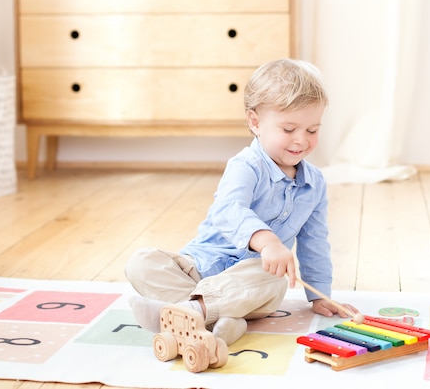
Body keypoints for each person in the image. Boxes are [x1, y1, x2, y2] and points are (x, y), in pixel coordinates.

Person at [125, 58, 358, 346]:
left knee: (275, 281)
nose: (301, 140)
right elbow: (228, 210)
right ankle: (216, 316)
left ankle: (192, 313)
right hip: (200, 266)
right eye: (288, 130)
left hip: (252, 279)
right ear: (255, 122)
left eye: (312, 130)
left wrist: (320, 294)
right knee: (142, 262)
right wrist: (268, 241)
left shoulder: (315, 184)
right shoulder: (246, 166)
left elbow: (315, 241)